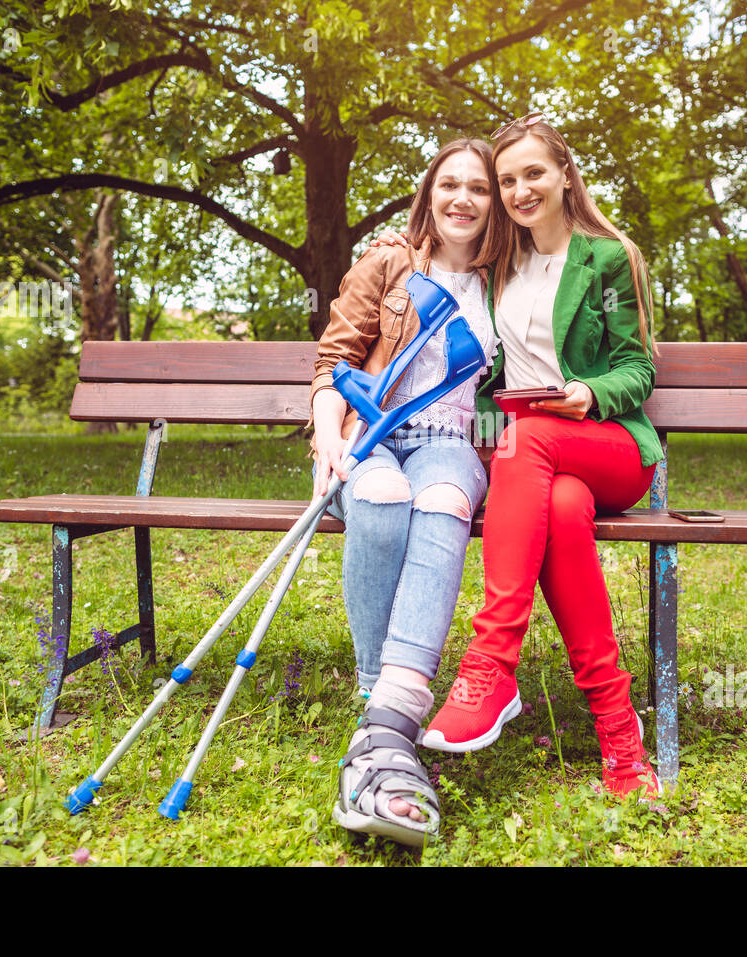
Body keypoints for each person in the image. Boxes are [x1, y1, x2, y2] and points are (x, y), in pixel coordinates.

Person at [416, 114, 665, 797]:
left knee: (527, 447)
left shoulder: (609, 258)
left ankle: (491, 663)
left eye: (534, 173)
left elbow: (637, 368)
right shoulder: (503, 265)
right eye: (508, 179)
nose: (521, 189)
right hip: (535, 460)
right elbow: (494, 385)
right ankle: (619, 735)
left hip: (608, 446)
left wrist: (589, 390)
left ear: (563, 174)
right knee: (555, 504)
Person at [310, 139, 499, 846]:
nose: (462, 198)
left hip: (450, 443)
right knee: (384, 497)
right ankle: (373, 687)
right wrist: (330, 442)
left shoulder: (504, 279)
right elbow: (334, 359)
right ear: (429, 193)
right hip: (368, 432)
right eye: (449, 184)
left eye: (478, 187)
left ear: (494, 201)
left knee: (446, 499)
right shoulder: (390, 259)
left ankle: (395, 705)